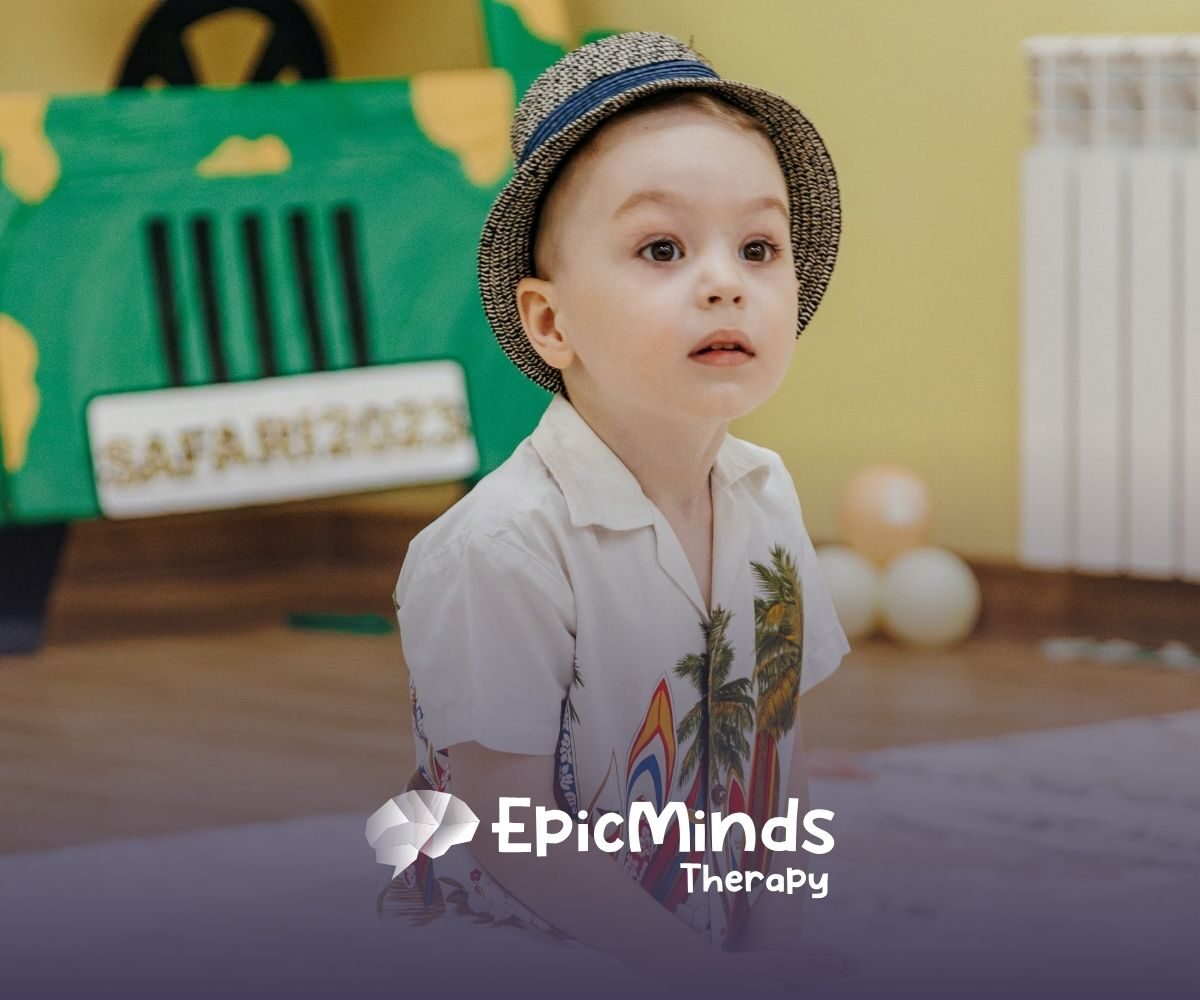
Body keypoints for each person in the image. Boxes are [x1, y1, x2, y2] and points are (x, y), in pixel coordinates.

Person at [387, 29, 852, 996]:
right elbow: (509, 825)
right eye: (662, 248)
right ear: (552, 322)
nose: (725, 281)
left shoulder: (766, 498)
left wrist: (768, 949)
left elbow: (778, 756)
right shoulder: (502, 546)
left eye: (758, 248)